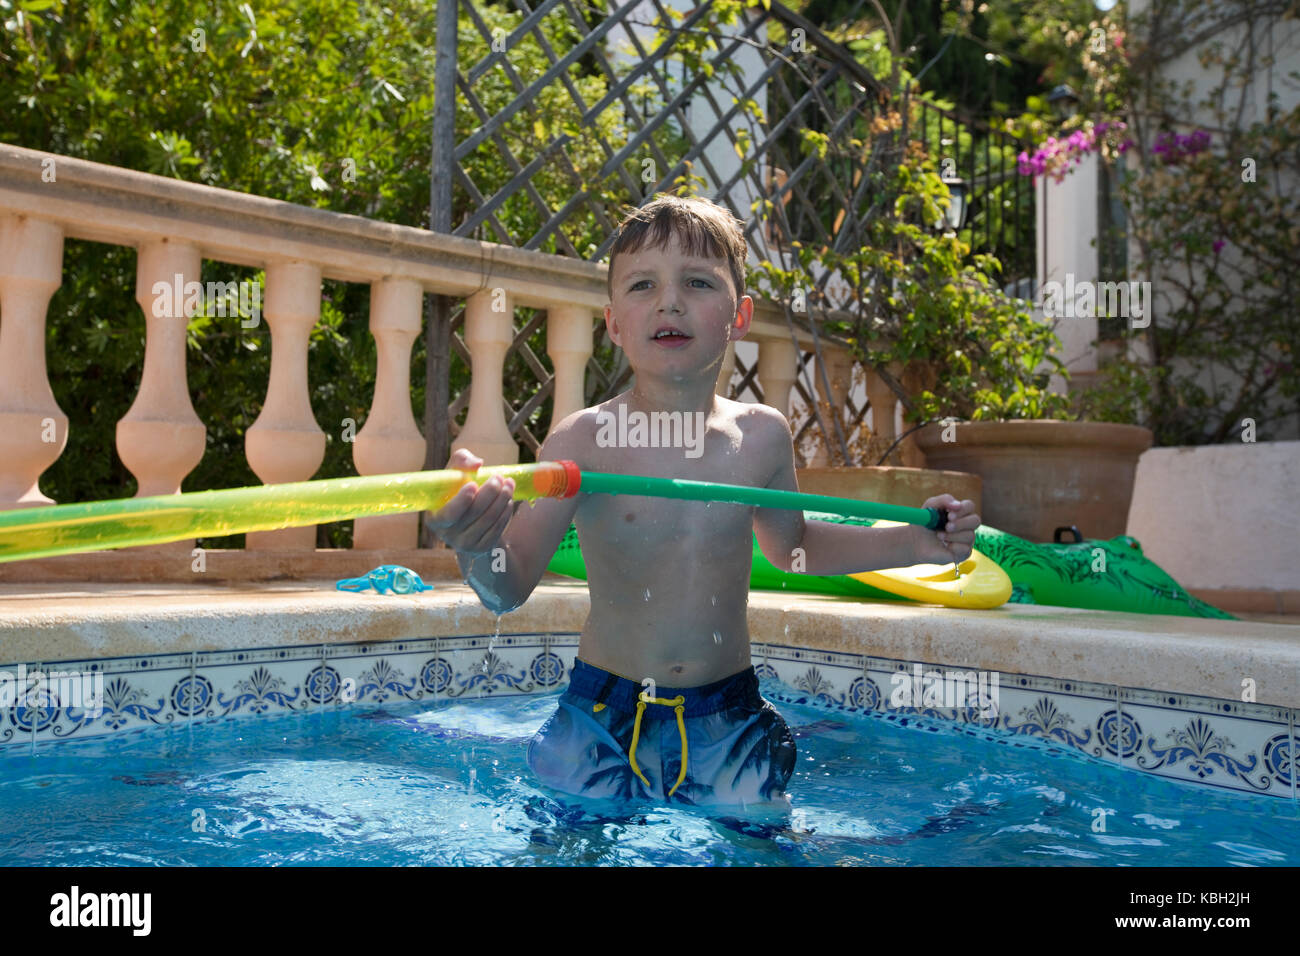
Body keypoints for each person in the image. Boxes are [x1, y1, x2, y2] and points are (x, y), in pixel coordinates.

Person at [425, 194, 979, 807]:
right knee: (566, 846)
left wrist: (917, 542)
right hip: (603, 714)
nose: (670, 301)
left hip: (727, 715)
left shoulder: (761, 436)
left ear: (738, 317)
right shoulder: (584, 442)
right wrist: (475, 547)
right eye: (642, 286)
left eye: (697, 282)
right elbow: (508, 587)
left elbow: (795, 548)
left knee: (764, 843)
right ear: (613, 324)